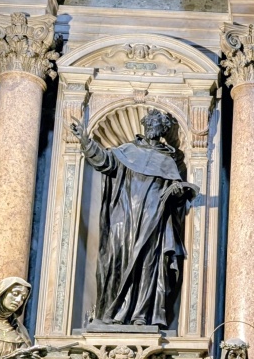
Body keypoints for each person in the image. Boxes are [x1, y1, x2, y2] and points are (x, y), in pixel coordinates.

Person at [71, 109, 198, 329]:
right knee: (116, 259)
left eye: (157, 124)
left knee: (148, 263)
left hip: (153, 217)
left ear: (163, 130)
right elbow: (104, 161)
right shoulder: (127, 151)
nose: (152, 127)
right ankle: (113, 313)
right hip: (123, 215)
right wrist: (86, 141)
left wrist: (178, 191)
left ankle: (141, 314)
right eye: (150, 123)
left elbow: (176, 198)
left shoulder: (168, 160)